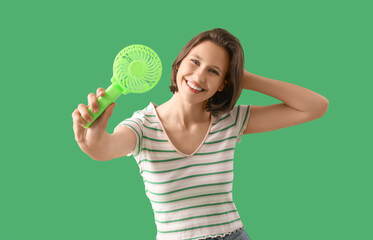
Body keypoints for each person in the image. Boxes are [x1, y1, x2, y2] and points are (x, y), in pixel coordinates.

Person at [72, 28, 329, 240]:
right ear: (179, 61)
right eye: (195, 62)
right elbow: (104, 148)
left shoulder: (230, 120)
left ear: (223, 84)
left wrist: (243, 77)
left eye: (214, 71)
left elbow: (315, 106)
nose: (198, 76)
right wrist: (90, 137)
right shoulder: (142, 126)